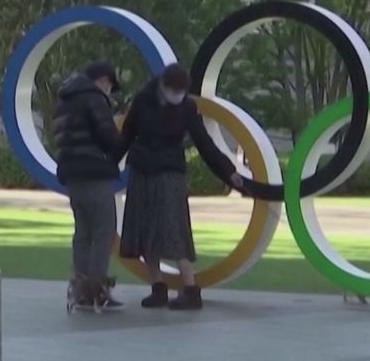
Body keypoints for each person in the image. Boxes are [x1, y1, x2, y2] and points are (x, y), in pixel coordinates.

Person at [117, 63, 243, 310]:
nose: (178, 95)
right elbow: (127, 135)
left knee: (174, 229)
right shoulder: (142, 101)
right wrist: (109, 163)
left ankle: (190, 289)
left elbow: (204, 143)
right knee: (144, 229)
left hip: (169, 173)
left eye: (181, 90)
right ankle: (158, 287)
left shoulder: (186, 107)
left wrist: (229, 171)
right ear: (163, 86)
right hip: (143, 171)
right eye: (174, 90)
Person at [53, 61, 126, 311]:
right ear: (103, 80)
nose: (108, 90)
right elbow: (108, 135)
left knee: (83, 232)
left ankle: (80, 288)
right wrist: (121, 147)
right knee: (104, 231)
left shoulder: (65, 100)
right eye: (108, 85)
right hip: (94, 171)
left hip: (72, 174)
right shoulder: (94, 99)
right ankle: (97, 290)